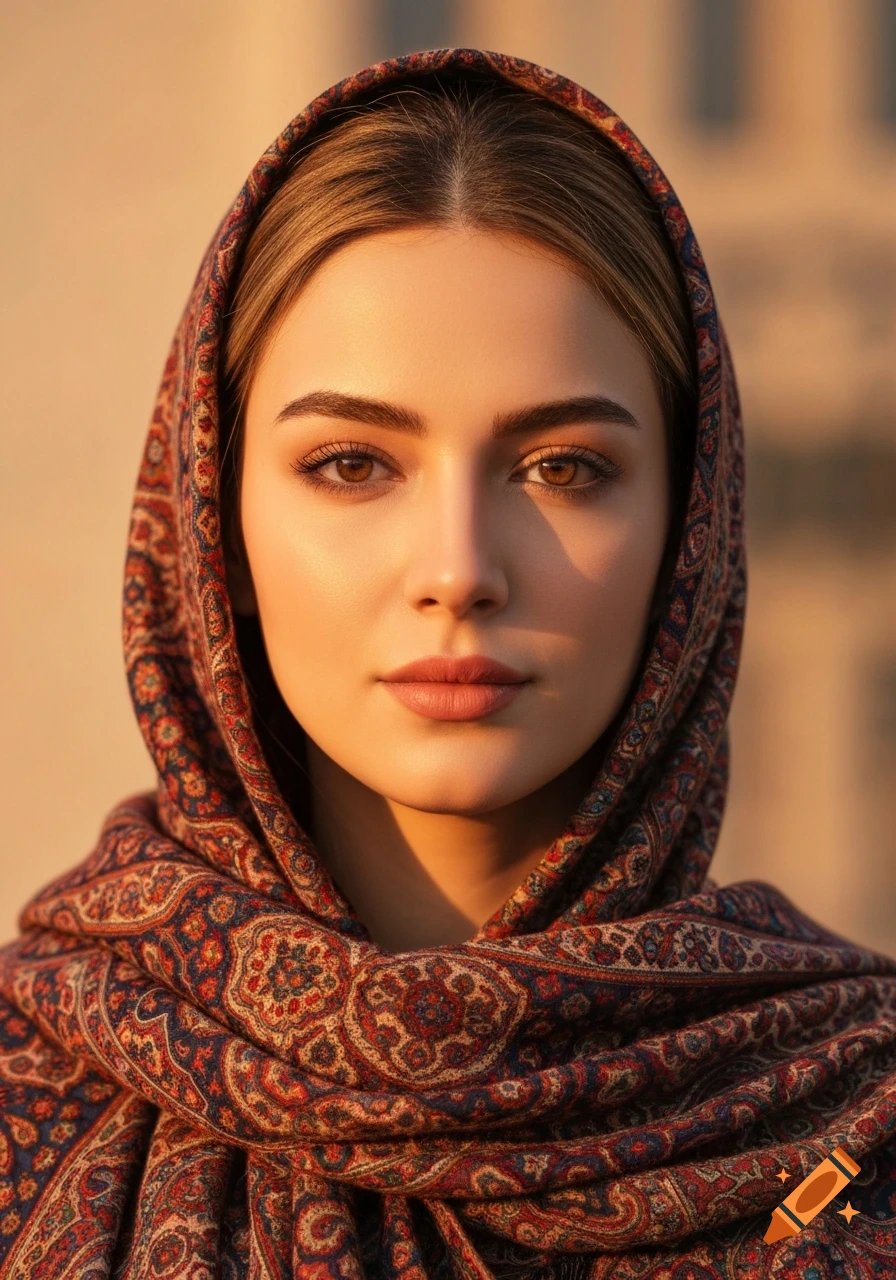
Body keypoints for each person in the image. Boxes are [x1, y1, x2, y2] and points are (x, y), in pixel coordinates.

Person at [0, 46, 894, 1280]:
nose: (459, 566)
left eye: (562, 467)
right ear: (219, 528)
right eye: (352, 464)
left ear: (688, 530)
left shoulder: (857, 1124)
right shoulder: (22, 1092)